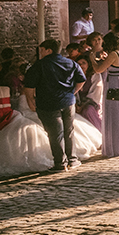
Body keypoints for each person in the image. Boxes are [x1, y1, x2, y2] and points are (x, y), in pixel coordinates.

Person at [24, 38, 87, 172]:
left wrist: (30, 100)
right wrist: (72, 92)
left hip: (48, 103)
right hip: (68, 101)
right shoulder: (71, 63)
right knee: (69, 130)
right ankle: (72, 159)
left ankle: (60, 163)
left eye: (41, 50)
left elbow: (29, 85)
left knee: (55, 133)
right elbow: (81, 79)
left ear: (48, 50)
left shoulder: (40, 65)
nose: (40, 53)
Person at [75, 53, 104, 131]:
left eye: (84, 63)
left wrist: (83, 105)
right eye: (79, 64)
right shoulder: (75, 76)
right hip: (79, 103)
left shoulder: (95, 76)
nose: (81, 66)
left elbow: (96, 93)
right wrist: (77, 104)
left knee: (88, 111)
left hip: (93, 103)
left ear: (88, 65)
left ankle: (99, 131)